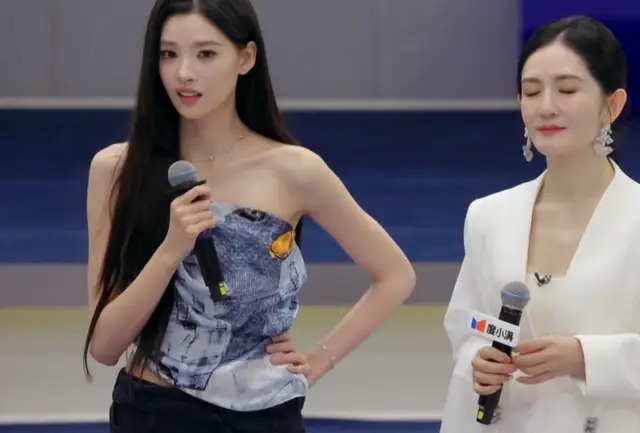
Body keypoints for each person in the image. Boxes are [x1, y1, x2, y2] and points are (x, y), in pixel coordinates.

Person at [82, 1, 416, 432]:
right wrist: (170, 250)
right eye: (168, 54)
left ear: (246, 58)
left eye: (205, 54)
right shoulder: (116, 170)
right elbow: (105, 346)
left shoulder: (293, 170)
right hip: (155, 413)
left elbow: (395, 275)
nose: (184, 72)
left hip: (266, 416)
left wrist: (320, 359)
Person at [439, 15, 639, 432]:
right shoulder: (490, 215)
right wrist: (477, 354)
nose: (546, 106)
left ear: (613, 105)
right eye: (531, 92)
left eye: (567, 89)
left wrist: (587, 358)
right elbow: (468, 320)